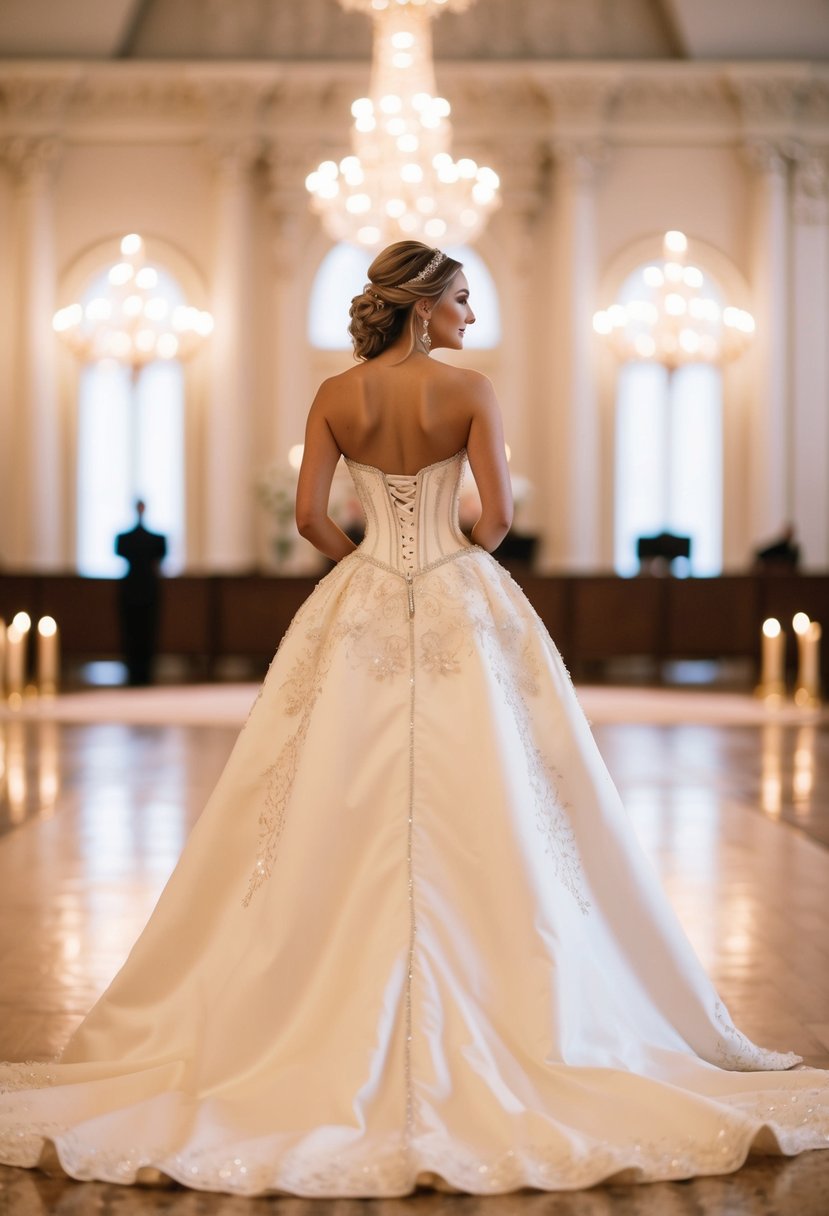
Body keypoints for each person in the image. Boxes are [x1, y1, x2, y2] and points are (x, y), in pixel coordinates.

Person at [0, 242, 826, 1197]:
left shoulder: (334, 395)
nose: (472, 316)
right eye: (464, 299)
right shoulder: (471, 391)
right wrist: (447, 557)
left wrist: (368, 560)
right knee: (506, 795)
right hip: (456, 596)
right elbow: (498, 519)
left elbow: (312, 516)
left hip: (359, 599)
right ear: (424, 305)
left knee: (323, 790)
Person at [114, 500, 167, 685]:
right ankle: (134, 673)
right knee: (132, 633)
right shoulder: (129, 538)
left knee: (146, 633)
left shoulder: (153, 539)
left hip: (142, 589)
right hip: (138, 589)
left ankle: (144, 673)